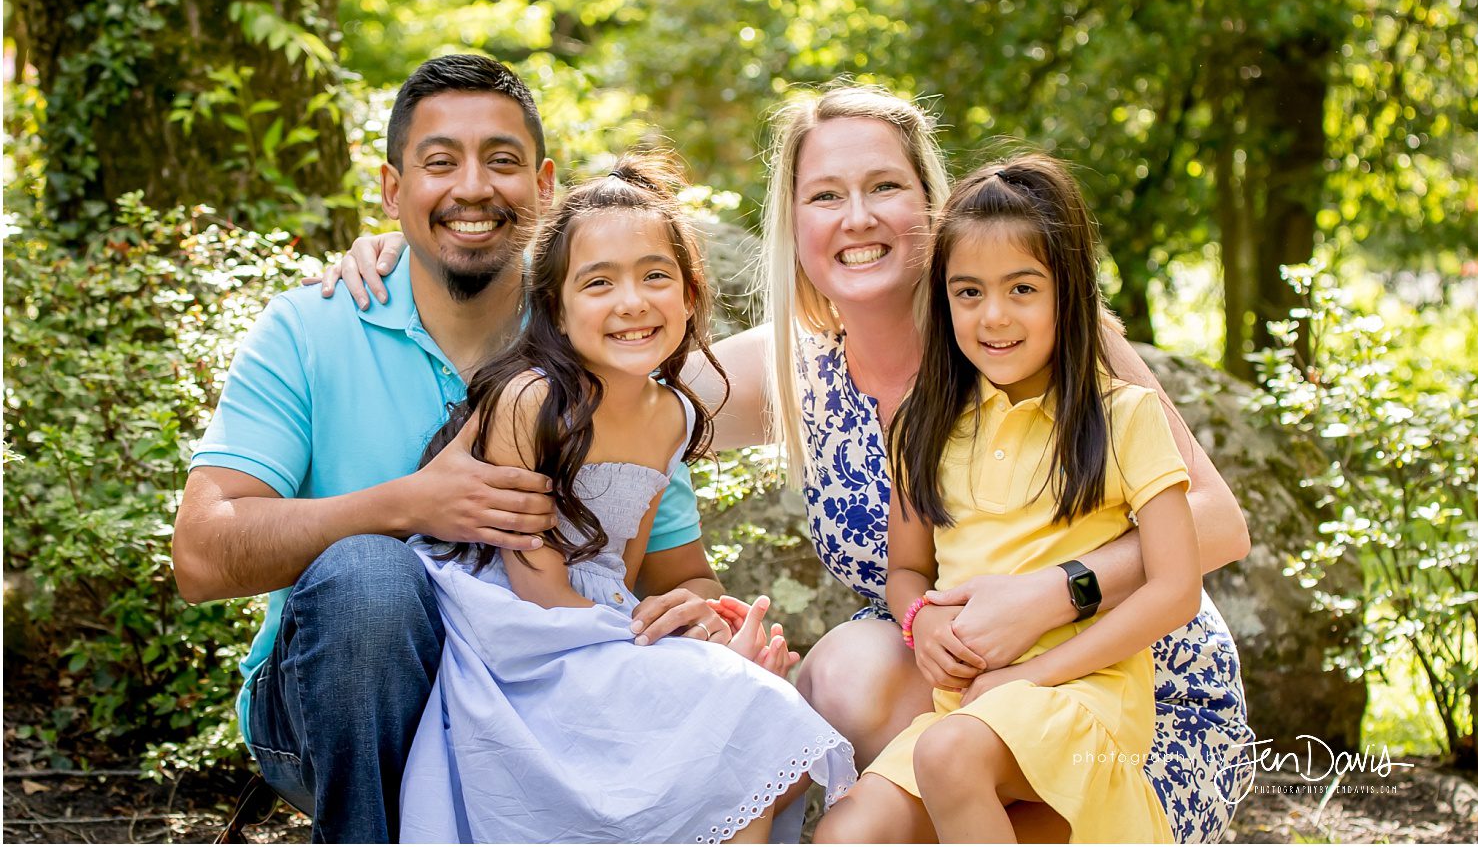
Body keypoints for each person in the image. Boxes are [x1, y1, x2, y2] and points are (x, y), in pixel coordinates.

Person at [323, 84, 1256, 842]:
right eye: (825, 196)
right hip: (948, 688)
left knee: (858, 692)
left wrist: (1057, 592)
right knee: (841, 678)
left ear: (933, 203)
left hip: (1128, 676)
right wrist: (419, 260)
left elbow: (1217, 521)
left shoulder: (1021, 325)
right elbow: (603, 356)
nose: (858, 218)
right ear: (794, 225)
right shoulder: (785, 369)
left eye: (885, 187)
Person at [172, 55, 744, 842]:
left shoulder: (599, 351)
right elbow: (201, 558)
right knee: (369, 575)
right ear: (390, 190)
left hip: (540, 711)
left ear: (544, 187)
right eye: (439, 163)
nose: (473, 187)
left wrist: (699, 614)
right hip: (331, 717)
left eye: (501, 161)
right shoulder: (310, 329)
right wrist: (407, 505)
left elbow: (675, 574)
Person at [399, 155, 854, 843]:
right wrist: (655, 649)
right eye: (599, 283)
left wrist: (693, 624)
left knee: (759, 718)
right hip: (517, 634)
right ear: (554, 304)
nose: (632, 302)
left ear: (691, 293)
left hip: (595, 617)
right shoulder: (532, 401)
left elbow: (620, 567)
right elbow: (539, 591)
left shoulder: (672, 414)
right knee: (738, 709)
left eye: (655, 276)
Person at [816, 153, 1202, 843]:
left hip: (1083, 697)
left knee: (949, 752)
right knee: (846, 833)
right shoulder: (924, 423)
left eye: (1022, 289)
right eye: (969, 293)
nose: (993, 316)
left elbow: (1176, 589)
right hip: (964, 710)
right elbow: (908, 573)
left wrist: (1033, 675)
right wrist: (920, 626)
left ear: (1067, 291)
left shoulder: (1125, 416)